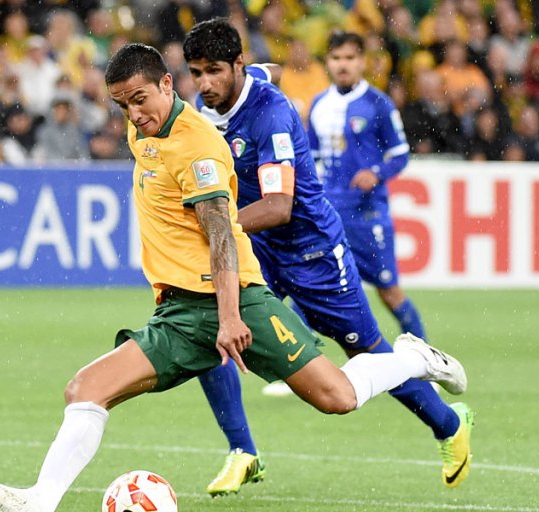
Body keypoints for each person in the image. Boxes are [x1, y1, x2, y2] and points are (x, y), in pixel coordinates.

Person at [0, 43, 468, 512]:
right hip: (179, 314)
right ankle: (38, 501)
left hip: (237, 301)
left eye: (140, 99)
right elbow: (250, 79)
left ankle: (412, 357)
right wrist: (263, 73)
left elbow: (223, 236)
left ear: (167, 85)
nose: (134, 114)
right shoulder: (144, 127)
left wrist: (230, 317)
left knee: (336, 397)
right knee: (85, 389)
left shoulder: (198, 149)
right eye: (122, 105)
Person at [184, 19, 474, 494]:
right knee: (216, 330)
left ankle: (447, 422)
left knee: (366, 352)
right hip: (257, 250)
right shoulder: (216, 98)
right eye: (196, 72)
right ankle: (243, 450)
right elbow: (264, 70)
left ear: (235, 65)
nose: (205, 84)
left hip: (312, 249)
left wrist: (215, 221)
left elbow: (278, 207)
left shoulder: (272, 116)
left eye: (214, 71)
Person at [309, 31, 431, 344]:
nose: (343, 65)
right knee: (306, 289)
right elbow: (310, 157)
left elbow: (400, 154)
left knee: (389, 292)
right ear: (328, 63)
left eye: (349, 58)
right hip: (328, 215)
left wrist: (375, 173)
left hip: (367, 215)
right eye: (336, 59)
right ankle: (296, 368)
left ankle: (426, 360)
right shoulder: (319, 105)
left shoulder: (378, 103)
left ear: (362, 61)